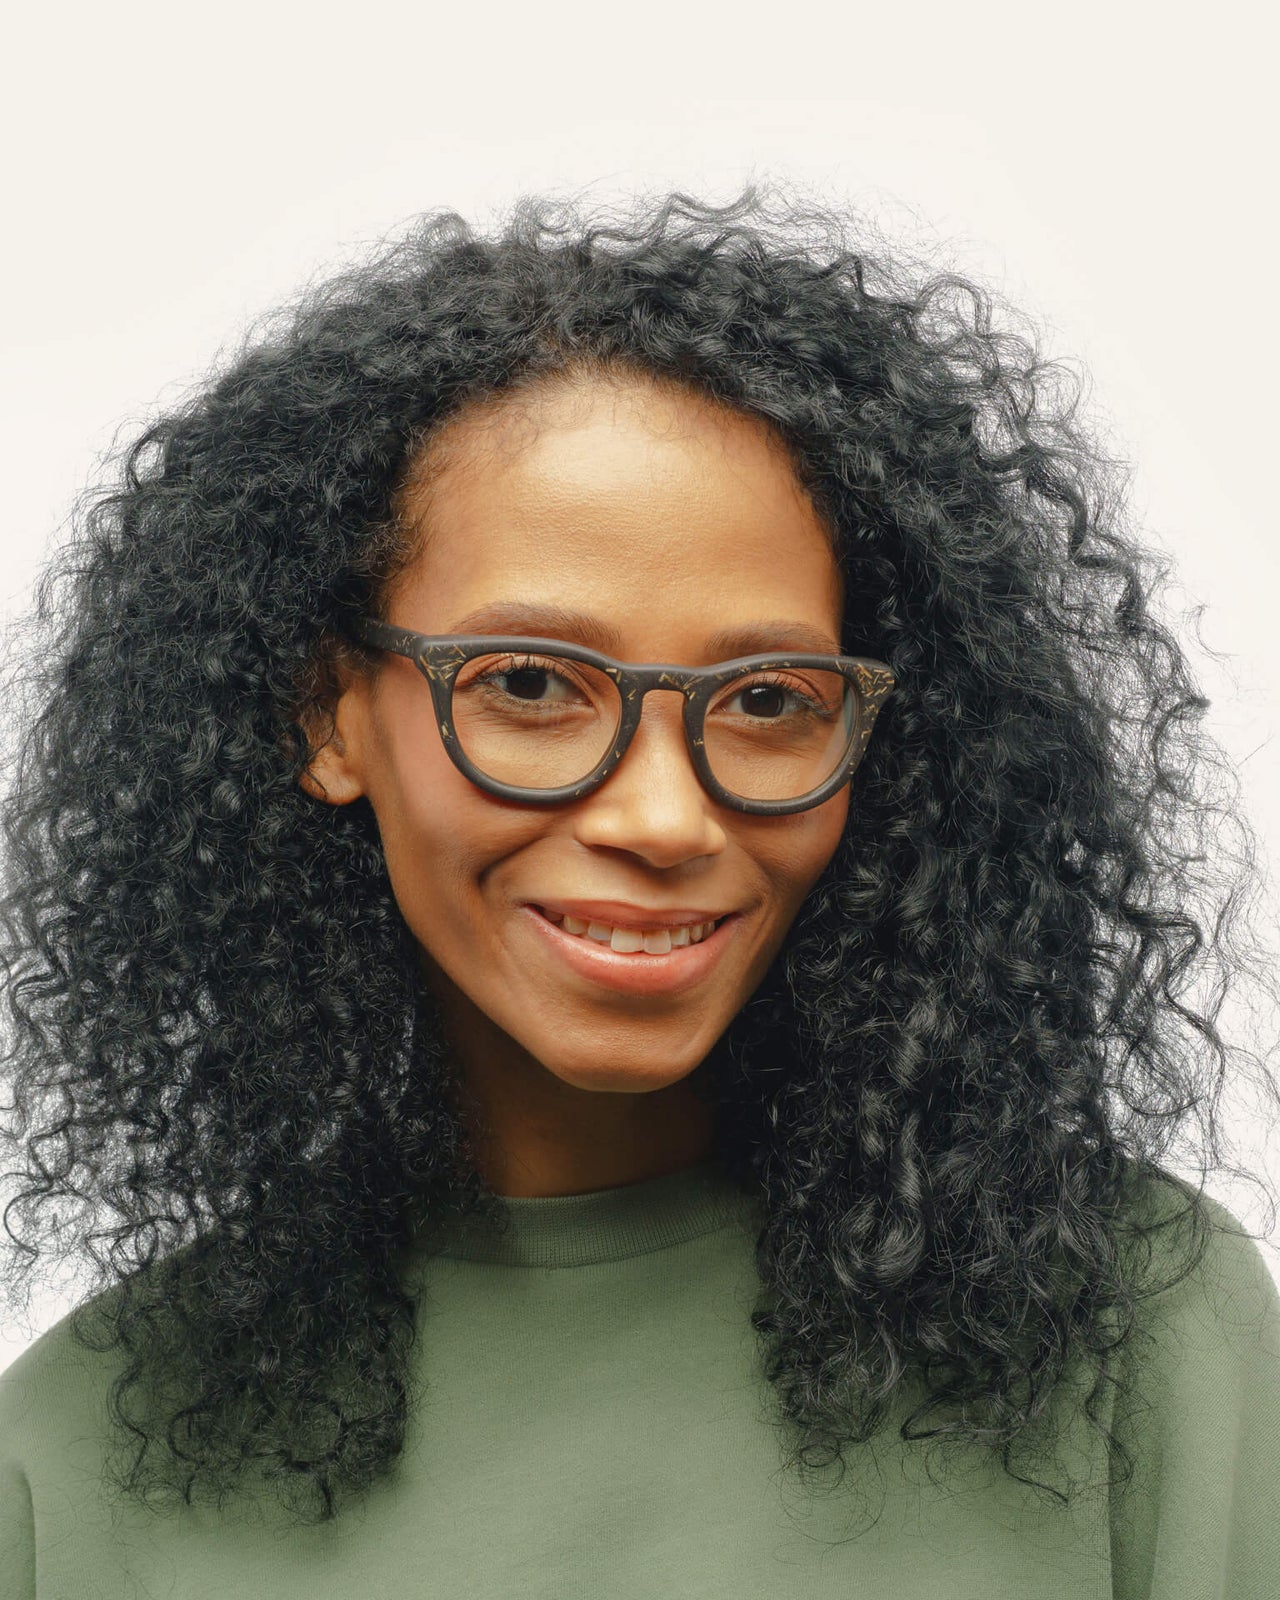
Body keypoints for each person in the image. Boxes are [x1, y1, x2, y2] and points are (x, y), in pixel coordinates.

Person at [1, 185, 1277, 1598]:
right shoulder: (70, 1477)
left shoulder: (1132, 1337)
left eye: (772, 698)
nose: (666, 815)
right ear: (330, 716)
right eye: (533, 685)